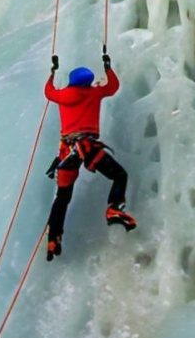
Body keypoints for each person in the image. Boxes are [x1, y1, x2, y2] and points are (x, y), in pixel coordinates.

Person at [44, 48, 136, 262]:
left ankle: (53, 237)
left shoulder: (64, 95)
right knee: (119, 175)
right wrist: (107, 67)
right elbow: (113, 86)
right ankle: (114, 209)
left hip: (67, 151)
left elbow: (48, 92)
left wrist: (52, 73)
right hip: (87, 147)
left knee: (63, 197)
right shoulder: (94, 93)